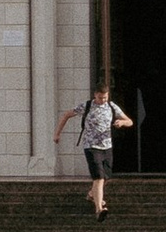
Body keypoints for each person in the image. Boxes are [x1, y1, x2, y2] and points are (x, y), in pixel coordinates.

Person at [57, 79, 134, 218]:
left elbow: (130, 121)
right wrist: (57, 133)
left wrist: (122, 122)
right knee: (98, 177)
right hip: (91, 146)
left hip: (107, 145)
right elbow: (67, 115)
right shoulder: (87, 106)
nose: (102, 100)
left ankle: (92, 194)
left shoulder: (111, 106)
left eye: (105, 97)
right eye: (100, 97)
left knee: (106, 177)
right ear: (95, 95)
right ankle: (99, 209)